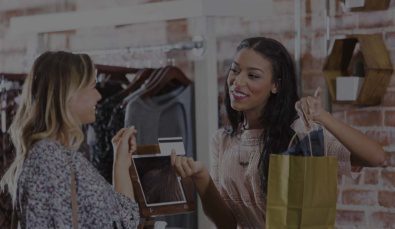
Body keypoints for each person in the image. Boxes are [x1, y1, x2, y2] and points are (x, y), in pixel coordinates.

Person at [171, 37, 386, 228]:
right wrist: (200, 177)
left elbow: (376, 157)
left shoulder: (300, 133)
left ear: (275, 85)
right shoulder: (223, 140)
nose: (237, 81)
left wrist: (323, 116)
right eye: (235, 70)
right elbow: (226, 222)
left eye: (253, 75)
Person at [0, 51, 140, 228]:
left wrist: (120, 161)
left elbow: (123, 219)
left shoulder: (49, 154)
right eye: (92, 86)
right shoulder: (53, 159)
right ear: (69, 93)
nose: (98, 96)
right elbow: (123, 221)